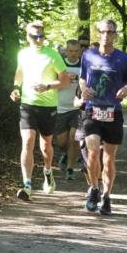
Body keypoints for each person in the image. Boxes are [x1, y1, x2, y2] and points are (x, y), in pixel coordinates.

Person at [79, 19, 127, 216]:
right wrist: (84, 90)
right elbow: (82, 78)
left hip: (113, 111)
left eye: (110, 32)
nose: (106, 35)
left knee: (109, 159)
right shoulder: (88, 55)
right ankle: (94, 190)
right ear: (98, 33)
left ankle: (107, 196)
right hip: (92, 110)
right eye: (103, 31)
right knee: (93, 152)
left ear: (115, 35)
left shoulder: (123, 58)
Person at [10, 21, 70, 201]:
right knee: (27, 142)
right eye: (34, 36)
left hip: (48, 106)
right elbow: (19, 72)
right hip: (27, 104)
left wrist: (48, 86)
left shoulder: (53, 55)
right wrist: (15, 88)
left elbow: (65, 81)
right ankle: (27, 185)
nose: (38, 39)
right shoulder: (22, 54)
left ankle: (48, 171)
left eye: (41, 36)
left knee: (45, 146)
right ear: (27, 37)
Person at [55, 38, 83, 181]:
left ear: (80, 51)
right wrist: (64, 79)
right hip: (60, 107)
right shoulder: (59, 64)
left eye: (76, 51)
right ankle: (64, 154)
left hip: (77, 108)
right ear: (66, 51)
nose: (73, 54)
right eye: (70, 51)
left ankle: (70, 168)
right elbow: (51, 83)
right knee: (62, 141)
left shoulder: (84, 65)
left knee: (74, 138)